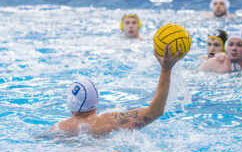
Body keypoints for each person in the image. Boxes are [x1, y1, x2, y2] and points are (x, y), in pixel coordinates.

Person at [50, 45, 181, 137]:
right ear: (96, 98)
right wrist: (166, 70)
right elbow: (155, 111)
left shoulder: (58, 128)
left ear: (70, 102)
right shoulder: (109, 121)